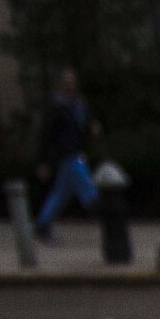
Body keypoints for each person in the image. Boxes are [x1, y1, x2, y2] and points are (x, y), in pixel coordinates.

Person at [31, 68, 101, 245]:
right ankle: (102, 212)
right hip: (67, 153)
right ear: (61, 83)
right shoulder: (56, 105)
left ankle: (42, 225)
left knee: (61, 193)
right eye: (66, 80)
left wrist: (91, 129)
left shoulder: (79, 102)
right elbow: (46, 134)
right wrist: (43, 161)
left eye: (71, 80)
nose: (69, 83)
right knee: (87, 187)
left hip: (76, 151)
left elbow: (85, 123)